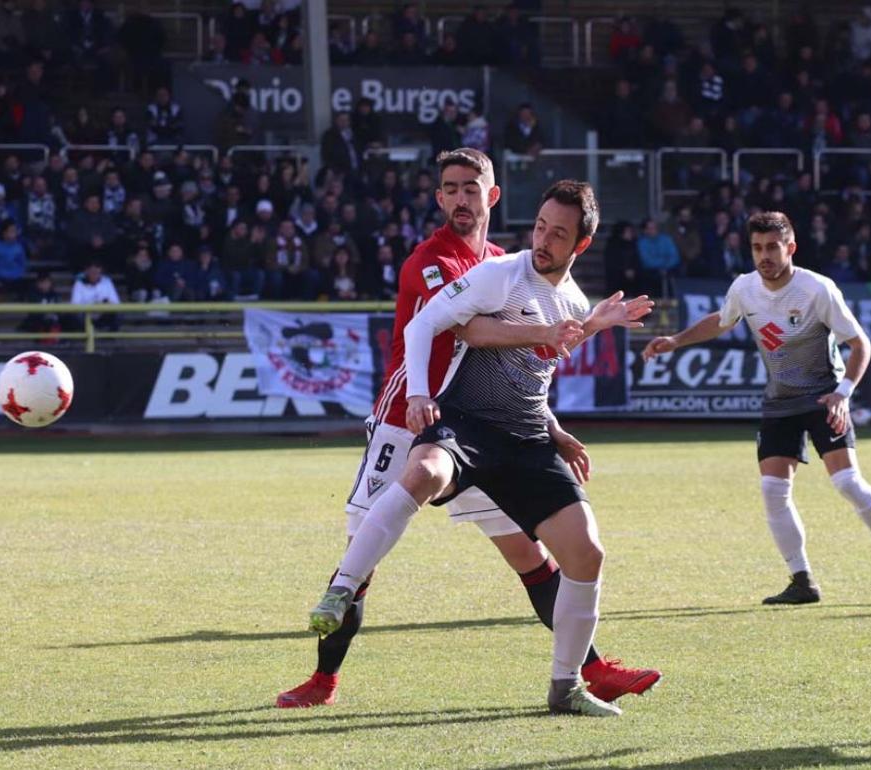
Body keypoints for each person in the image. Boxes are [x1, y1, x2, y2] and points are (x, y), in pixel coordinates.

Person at [279, 153, 657, 713]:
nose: (460, 199)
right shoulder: (436, 261)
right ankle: (323, 678)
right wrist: (555, 329)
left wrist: (552, 425)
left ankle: (587, 668)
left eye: (470, 189)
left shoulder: (508, 262)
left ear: (492, 197)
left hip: (492, 430)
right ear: (439, 198)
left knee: (529, 553)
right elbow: (471, 329)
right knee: (363, 554)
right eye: (450, 189)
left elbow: (526, 369)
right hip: (409, 412)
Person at [642, 211, 871, 605]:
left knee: (847, 483)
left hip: (824, 396)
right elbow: (721, 321)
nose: (764, 255)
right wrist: (675, 340)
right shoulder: (745, 288)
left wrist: (843, 393)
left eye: (772, 247)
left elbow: (861, 344)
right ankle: (802, 581)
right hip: (780, 401)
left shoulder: (817, 289)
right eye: (757, 248)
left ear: (791, 247)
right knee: (772, 491)